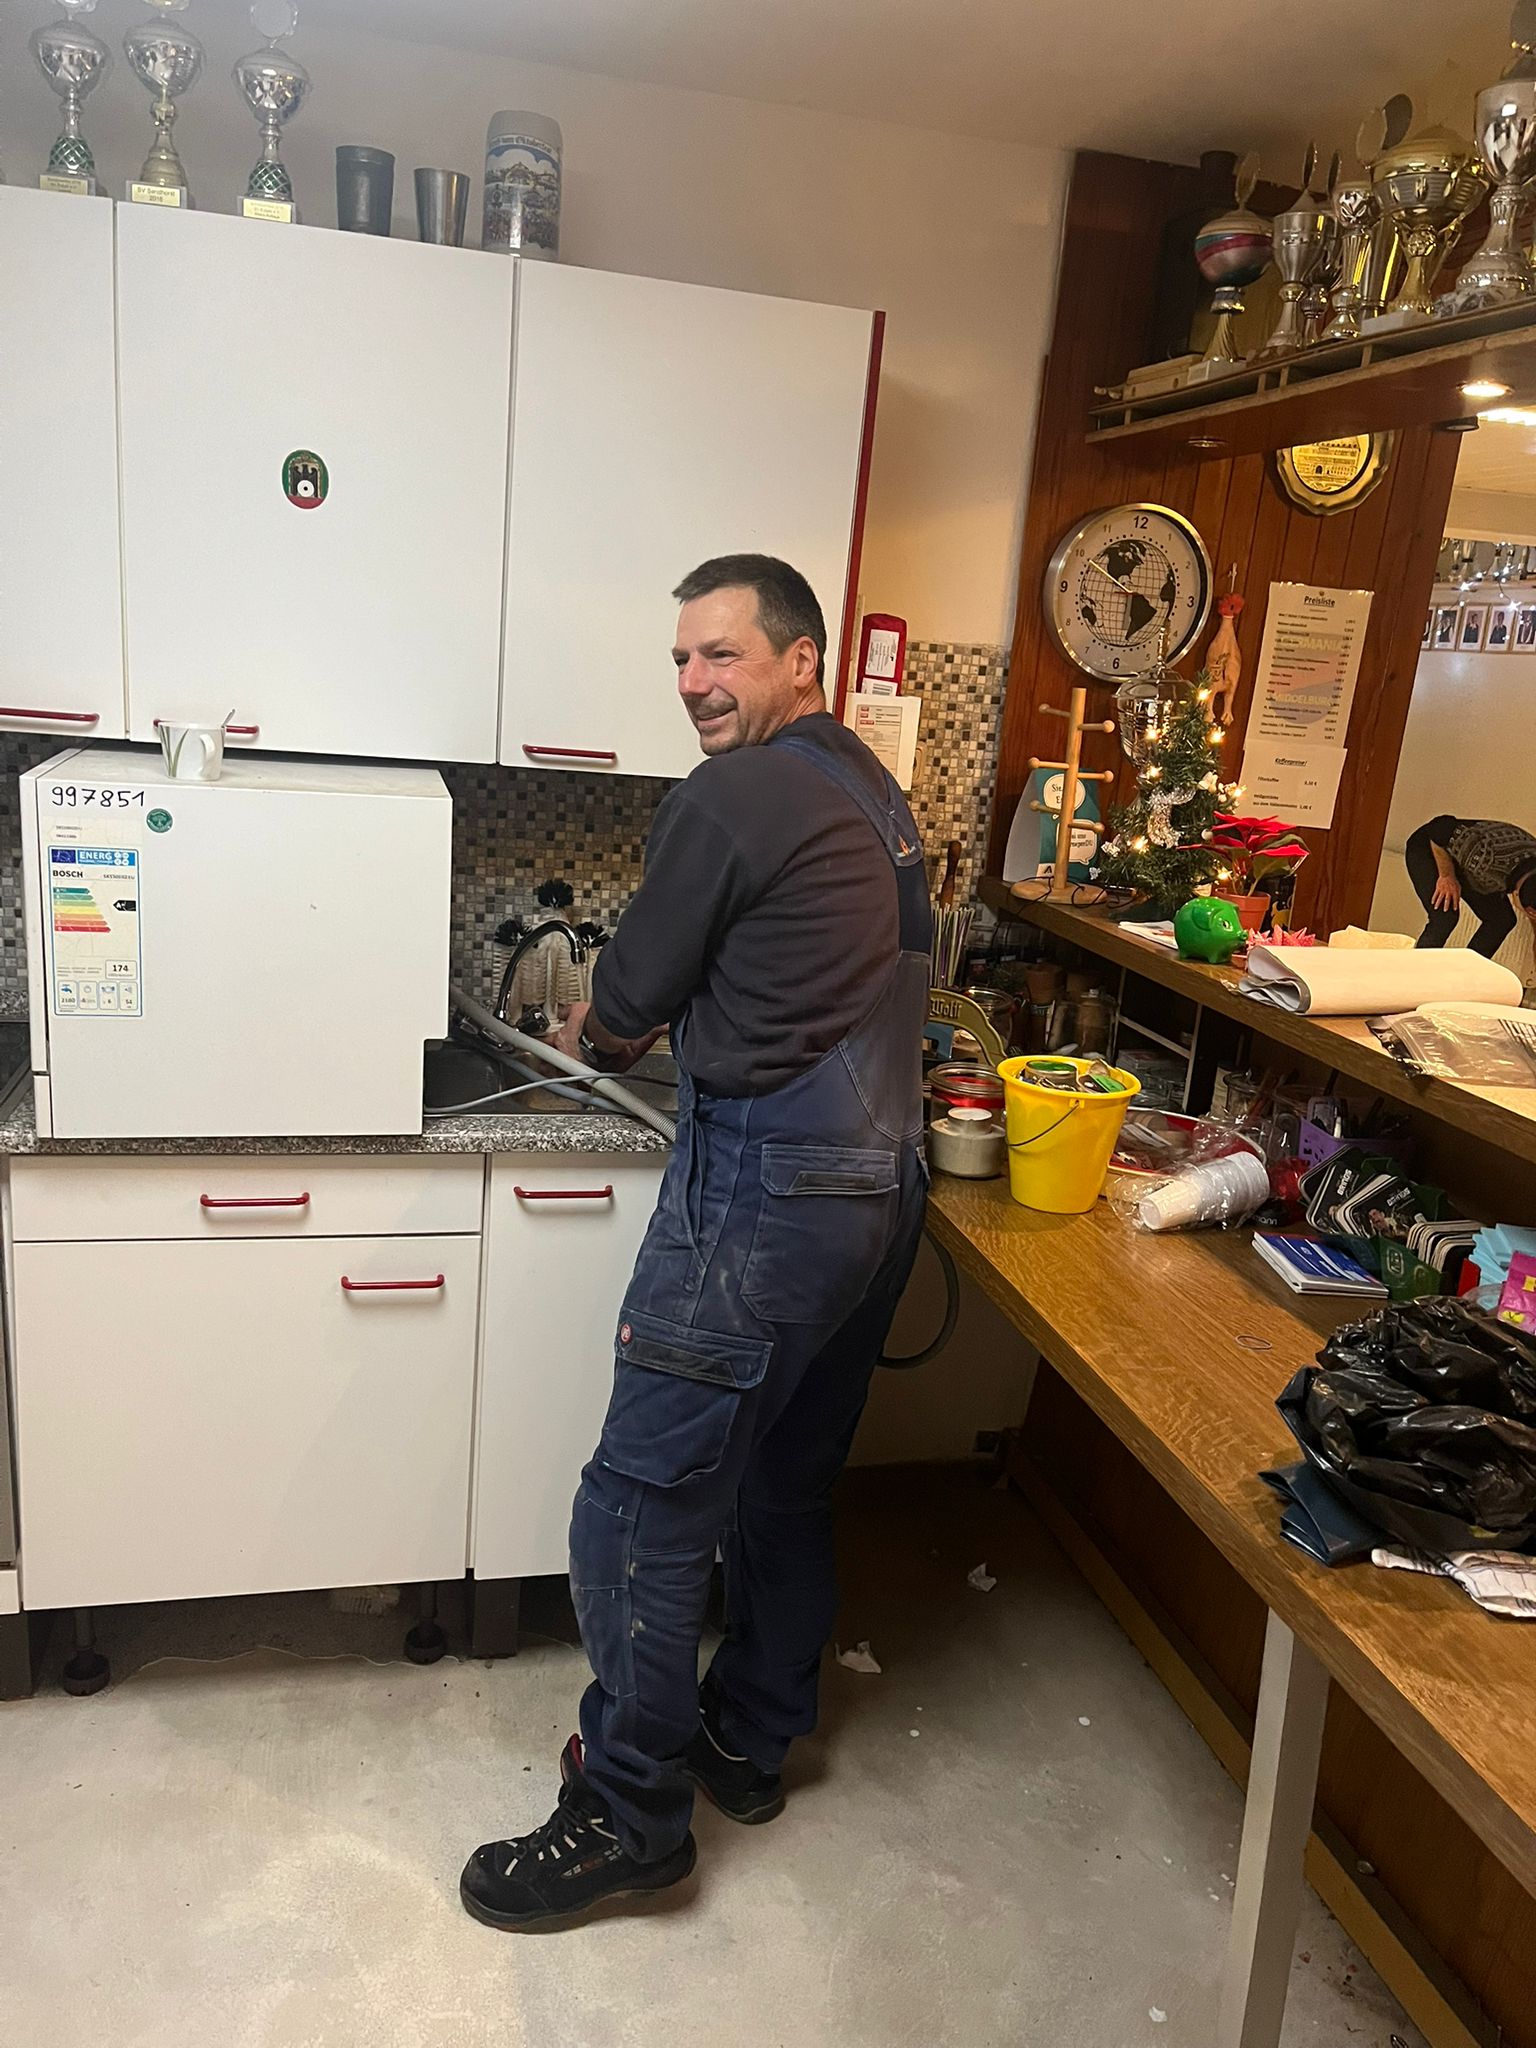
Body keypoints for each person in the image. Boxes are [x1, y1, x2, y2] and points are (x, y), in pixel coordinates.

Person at [460, 554, 931, 1932]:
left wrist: (601, 1028)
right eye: (680, 658)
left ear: (801, 658)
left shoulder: (734, 792)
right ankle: (749, 1734)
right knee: (784, 1481)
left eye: (722, 653)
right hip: (880, 1189)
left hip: (769, 1196)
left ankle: (628, 1814)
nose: (692, 682)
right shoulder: (877, 794)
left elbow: (627, 996)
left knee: (636, 1506)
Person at [1405, 814, 1536, 958]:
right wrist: (1447, 876)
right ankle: (1418, 966)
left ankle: (1465, 967)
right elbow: (1439, 827)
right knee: (1445, 918)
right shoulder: (1486, 857)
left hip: (1472, 866)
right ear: (1516, 894)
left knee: (1502, 920)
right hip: (1430, 848)